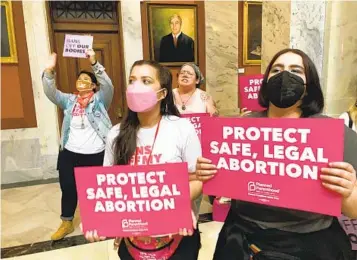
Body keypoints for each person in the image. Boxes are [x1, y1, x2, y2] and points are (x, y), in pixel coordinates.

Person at [196, 48, 357, 259]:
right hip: (242, 240)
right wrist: (208, 173)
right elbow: (216, 190)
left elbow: (354, 210)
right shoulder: (239, 128)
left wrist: (347, 192)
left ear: (310, 85)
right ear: (266, 81)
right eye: (277, 70)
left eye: (295, 70)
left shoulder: (334, 134)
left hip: (309, 243)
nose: (284, 76)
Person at [84, 60, 202, 259]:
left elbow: (196, 179)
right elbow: (107, 189)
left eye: (146, 81)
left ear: (163, 94)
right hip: (133, 242)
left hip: (177, 238)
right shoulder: (116, 134)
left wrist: (179, 204)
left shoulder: (182, 129)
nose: (136, 86)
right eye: (132, 80)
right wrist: (99, 220)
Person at [42, 50, 114, 241]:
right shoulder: (69, 101)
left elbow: (108, 86)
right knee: (68, 187)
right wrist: (49, 71)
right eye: (79, 79)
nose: (81, 81)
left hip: (95, 154)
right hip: (69, 153)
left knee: (97, 190)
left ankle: (99, 221)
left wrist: (94, 62)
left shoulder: (100, 101)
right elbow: (51, 93)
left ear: (93, 85)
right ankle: (66, 222)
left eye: (85, 79)